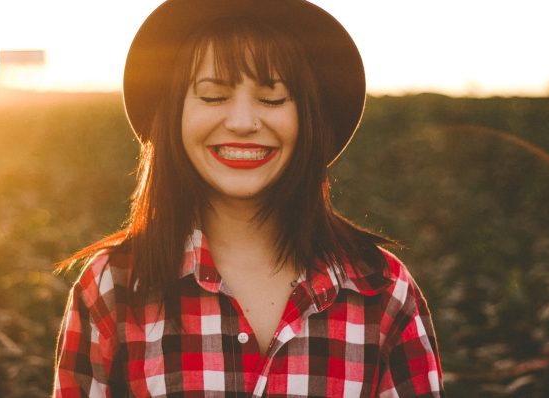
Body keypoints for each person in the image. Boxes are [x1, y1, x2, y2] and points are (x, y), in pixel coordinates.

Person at [53, 0, 444, 396]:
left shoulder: (381, 290)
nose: (242, 122)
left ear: (307, 117)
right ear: (175, 116)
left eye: (272, 99)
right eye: (212, 96)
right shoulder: (112, 288)